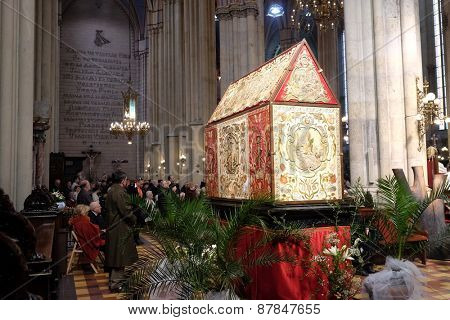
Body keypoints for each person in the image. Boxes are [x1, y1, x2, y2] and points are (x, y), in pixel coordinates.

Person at [105, 171, 138, 292]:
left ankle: (115, 280)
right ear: (123, 180)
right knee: (119, 256)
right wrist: (134, 219)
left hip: (113, 224)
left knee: (116, 255)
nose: (127, 182)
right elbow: (125, 210)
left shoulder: (111, 189)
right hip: (119, 227)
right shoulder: (119, 191)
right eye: (127, 180)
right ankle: (115, 284)